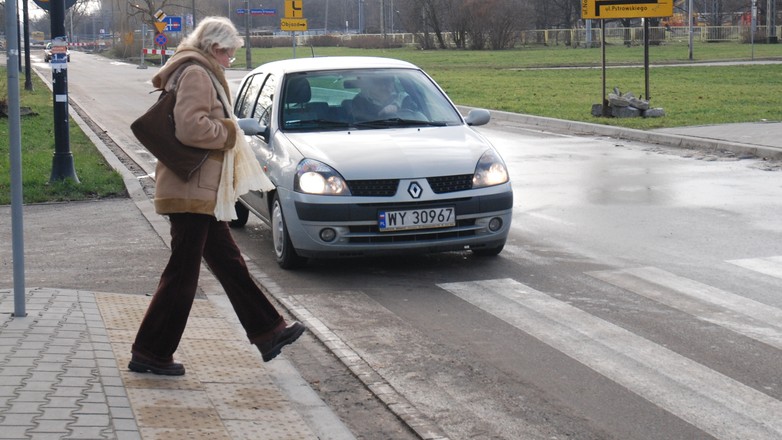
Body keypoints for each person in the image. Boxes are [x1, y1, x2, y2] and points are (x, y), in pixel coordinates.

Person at [128, 16, 305, 376]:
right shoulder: (196, 73)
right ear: (215, 48)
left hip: (201, 189)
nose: (230, 61)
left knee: (228, 263)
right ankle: (150, 352)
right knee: (182, 275)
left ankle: (269, 332)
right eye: (229, 55)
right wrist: (232, 130)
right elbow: (191, 127)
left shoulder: (199, 69)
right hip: (191, 190)